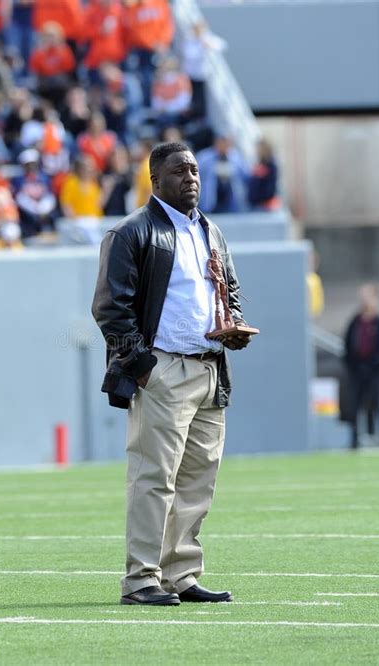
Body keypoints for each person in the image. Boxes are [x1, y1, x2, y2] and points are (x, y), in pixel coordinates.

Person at [92, 142, 252, 605]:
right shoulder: (132, 232)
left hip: (209, 370)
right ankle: (141, 578)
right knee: (154, 478)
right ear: (155, 179)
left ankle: (180, 574)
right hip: (163, 370)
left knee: (198, 480)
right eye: (180, 170)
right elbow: (110, 308)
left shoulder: (212, 232)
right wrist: (144, 368)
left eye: (195, 170)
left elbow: (231, 292)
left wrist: (233, 326)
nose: (192, 177)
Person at [343, 283, 379, 449]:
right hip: (357, 370)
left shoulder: (378, 322)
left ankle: (377, 438)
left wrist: (375, 363)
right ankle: (355, 440)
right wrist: (353, 364)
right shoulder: (356, 321)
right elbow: (349, 345)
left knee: (376, 404)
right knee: (355, 405)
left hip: (376, 371)